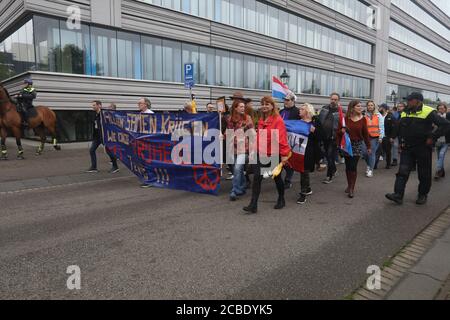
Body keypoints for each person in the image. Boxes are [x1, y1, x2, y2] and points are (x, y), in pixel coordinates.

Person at [386, 93, 450, 205]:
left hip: (423, 147)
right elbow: (400, 127)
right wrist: (398, 140)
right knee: (402, 171)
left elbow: (445, 125)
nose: (408, 102)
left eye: (410, 100)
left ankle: (422, 195)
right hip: (407, 147)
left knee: (424, 173)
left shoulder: (429, 111)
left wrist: (432, 137)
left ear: (418, 101)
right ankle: (398, 195)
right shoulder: (406, 111)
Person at [243, 96, 291, 214]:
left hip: (274, 153)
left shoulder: (278, 120)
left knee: (277, 178)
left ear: (272, 106)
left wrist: (284, 154)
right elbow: (259, 137)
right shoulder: (261, 119)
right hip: (261, 153)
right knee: (257, 179)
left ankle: (281, 199)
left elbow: (282, 138)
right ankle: (253, 204)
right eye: (263, 104)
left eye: (267, 104)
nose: (264, 106)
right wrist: (254, 151)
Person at [336, 100, 371, 198]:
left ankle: (352, 188)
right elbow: (338, 132)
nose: (360, 107)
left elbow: (365, 134)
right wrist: (341, 131)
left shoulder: (363, 119)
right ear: (352, 108)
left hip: (357, 145)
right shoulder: (345, 119)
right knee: (348, 166)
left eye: (361, 106)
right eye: (358, 106)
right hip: (347, 144)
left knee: (353, 166)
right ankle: (349, 184)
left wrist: (368, 146)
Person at [225, 98, 255, 201]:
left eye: (244, 107)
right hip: (232, 148)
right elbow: (228, 132)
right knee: (237, 170)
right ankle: (242, 187)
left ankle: (235, 190)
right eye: (241, 107)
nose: (243, 108)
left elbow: (252, 133)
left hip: (244, 148)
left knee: (238, 168)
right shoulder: (229, 119)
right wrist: (222, 135)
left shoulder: (247, 118)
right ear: (235, 108)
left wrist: (252, 149)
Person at [297, 103, 322, 205]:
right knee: (302, 171)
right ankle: (307, 188)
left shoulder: (315, 122)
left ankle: (303, 194)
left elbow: (322, 136)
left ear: (307, 111)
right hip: (298, 150)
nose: (299, 110)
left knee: (304, 171)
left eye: (302, 109)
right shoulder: (297, 122)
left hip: (310, 151)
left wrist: (315, 131)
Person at [86, 101, 119, 174]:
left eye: (94, 105)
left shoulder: (104, 114)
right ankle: (94, 167)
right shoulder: (96, 114)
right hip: (97, 137)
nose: (93, 107)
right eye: (93, 105)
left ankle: (115, 166)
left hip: (104, 136)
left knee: (109, 151)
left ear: (99, 106)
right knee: (92, 150)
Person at [318, 93, 341, 184]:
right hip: (323, 137)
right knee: (327, 155)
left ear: (338, 100)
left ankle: (329, 176)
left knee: (330, 156)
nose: (333, 101)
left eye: (335, 99)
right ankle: (334, 170)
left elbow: (343, 124)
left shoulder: (341, 111)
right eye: (332, 99)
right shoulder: (324, 108)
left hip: (333, 138)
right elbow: (319, 120)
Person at [279, 92, 300, 189]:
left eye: (287, 100)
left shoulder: (297, 112)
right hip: (280, 138)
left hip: (291, 139)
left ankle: (288, 180)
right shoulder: (281, 111)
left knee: (289, 160)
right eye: (284, 99)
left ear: (293, 101)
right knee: (280, 159)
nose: (285, 101)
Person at [363, 101, 384, 178]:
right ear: (367, 106)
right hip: (365, 137)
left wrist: (381, 137)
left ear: (374, 106)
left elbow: (381, 126)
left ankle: (370, 169)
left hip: (375, 137)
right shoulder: (363, 114)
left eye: (372, 105)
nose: (370, 106)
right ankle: (369, 165)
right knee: (364, 153)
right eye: (368, 105)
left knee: (371, 153)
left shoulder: (378, 115)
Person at [434, 103, 450, 180]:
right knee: (439, 157)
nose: (441, 110)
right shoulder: (435, 117)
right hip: (437, 140)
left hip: (446, 141)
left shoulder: (448, 116)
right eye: (439, 108)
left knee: (441, 155)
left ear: (445, 109)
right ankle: (441, 172)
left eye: (442, 108)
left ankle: (437, 171)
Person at [382, 104, 398, 169]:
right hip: (379, 136)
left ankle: (388, 164)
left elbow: (395, 127)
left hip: (387, 136)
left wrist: (392, 137)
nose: (380, 109)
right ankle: (375, 164)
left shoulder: (391, 117)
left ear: (385, 109)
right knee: (378, 151)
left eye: (381, 108)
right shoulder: (378, 116)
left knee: (387, 151)